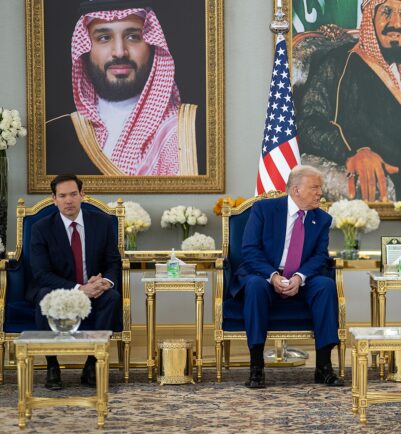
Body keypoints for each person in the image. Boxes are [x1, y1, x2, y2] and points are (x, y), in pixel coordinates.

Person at [296, 0, 401, 201]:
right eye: (386, 12)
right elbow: (308, 123)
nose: (396, 23)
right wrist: (354, 151)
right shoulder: (340, 63)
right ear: (370, 18)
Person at [46, 0, 198, 176]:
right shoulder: (58, 133)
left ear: (152, 46)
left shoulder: (189, 129)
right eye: (104, 38)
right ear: (86, 49)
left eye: (133, 37)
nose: (119, 52)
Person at [230, 165, 343, 388]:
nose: (320, 193)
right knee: (254, 286)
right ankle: (256, 367)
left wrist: (300, 277)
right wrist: (272, 276)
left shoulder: (321, 219)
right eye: (315, 188)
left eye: (320, 188)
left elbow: (320, 256)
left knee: (326, 286)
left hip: (301, 278)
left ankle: (323, 367)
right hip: (264, 275)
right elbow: (250, 250)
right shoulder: (264, 209)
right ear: (296, 189)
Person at [28, 174, 122, 390]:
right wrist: (80, 289)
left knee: (113, 297)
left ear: (82, 195)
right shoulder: (41, 228)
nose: (68, 200)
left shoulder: (102, 222)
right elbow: (41, 273)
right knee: (42, 295)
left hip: (95, 290)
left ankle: (92, 363)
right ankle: (52, 366)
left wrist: (106, 281)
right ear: (54, 199)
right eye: (62, 196)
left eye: (73, 194)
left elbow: (113, 262)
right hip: (59, 291)